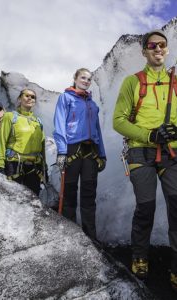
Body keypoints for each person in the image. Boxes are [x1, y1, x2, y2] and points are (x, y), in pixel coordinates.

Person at [113, 30, 177, 299]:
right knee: (146, 207)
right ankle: (140, 255)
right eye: (152, 45)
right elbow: (118, 121)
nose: (157, 49)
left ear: (166, 50)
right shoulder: (133, 83)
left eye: (162, 45)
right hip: (140, 153)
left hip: (172, 155)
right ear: (144, 51)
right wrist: (150, 135)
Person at [53, 68, 106, 241]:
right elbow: (59, 124)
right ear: (75, 78)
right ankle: (70, 237)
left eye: (89, 79)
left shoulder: (92, 104)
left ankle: (91, 238)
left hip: (91, 152)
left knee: (89, 196)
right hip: (72, 150)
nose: (86, 81)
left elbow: (97, 129)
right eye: (83, 77)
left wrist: (102, 154)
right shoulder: (65, 98)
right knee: (69, 193)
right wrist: (61, 151)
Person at [0, 89, 47, 196]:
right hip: (14, 164)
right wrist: (0, 165)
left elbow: (42, 146)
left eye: (33, 97)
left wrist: (44, 167)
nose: (30, 98)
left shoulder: (37, 122)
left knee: (33, 200)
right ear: (19, 98)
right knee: (13, 199)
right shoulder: (10, 117)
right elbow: (2, 141)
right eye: (27, 95)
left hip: (34, 166)